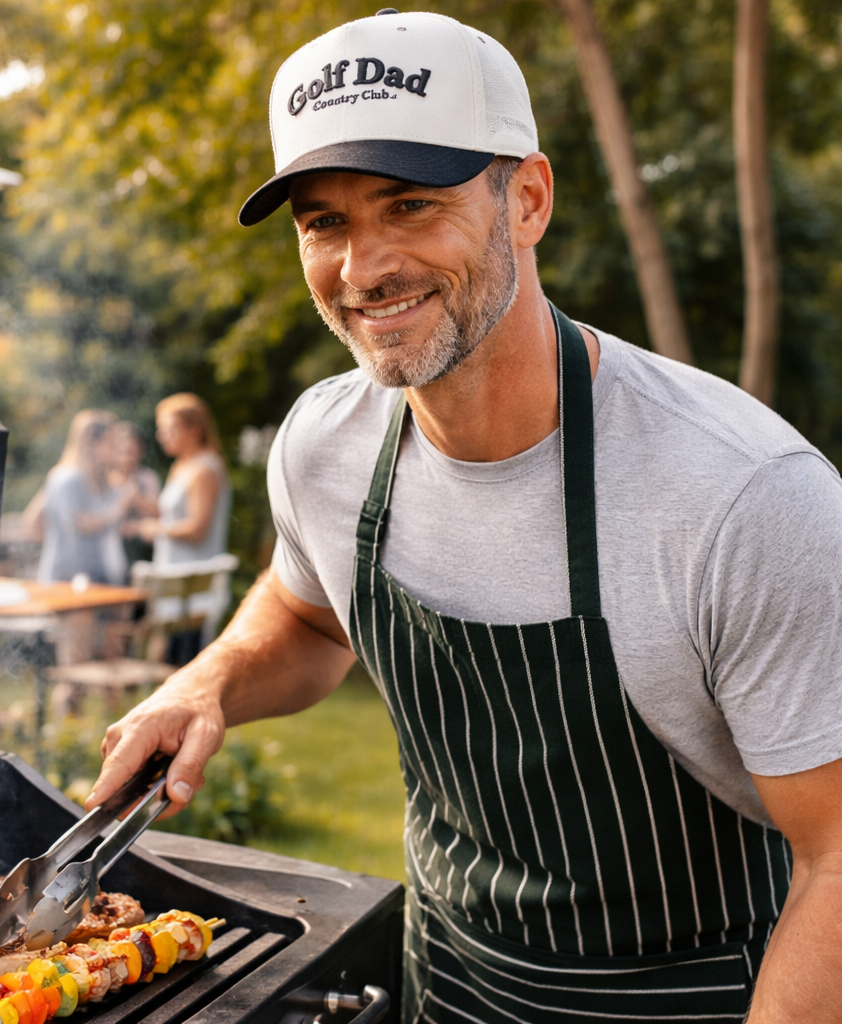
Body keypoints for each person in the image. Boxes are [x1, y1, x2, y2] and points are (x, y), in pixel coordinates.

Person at [84, 12, 842, 1023]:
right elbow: (309, 614)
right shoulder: (326, 443)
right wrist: (208, 681)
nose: (363, 267)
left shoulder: (739, 496)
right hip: (444, 980)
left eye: (410, 204)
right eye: (324, 221)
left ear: (526, 199)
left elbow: (836, 857)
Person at [133, 393, 232, 663]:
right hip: (172, 581)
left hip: (194, 588)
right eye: (161, 429)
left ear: (195, 429)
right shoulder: (180, 467)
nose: (163, 436)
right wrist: (136, 500)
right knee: (164, 659)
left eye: (171, 429)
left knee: (183, 662)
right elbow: (169, 514)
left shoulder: (205, 470)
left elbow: (198, 528)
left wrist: (155, 530)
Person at [36, 415, 137, 586]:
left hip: (101, 576)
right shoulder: (68, 478)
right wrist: (119, 508)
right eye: (111, 442)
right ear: (92, 444)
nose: (116, 449)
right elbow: (79, 524)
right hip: (69, 578)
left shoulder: (103, 480)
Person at [109, 421, 161, 566]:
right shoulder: (106, 480)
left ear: (141, 452)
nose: (126, 458)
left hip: (143, 551)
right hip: (113, 550)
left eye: (132, 452)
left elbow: (160, 513)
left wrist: (138, 499)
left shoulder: (148, 478)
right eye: (122, 451)